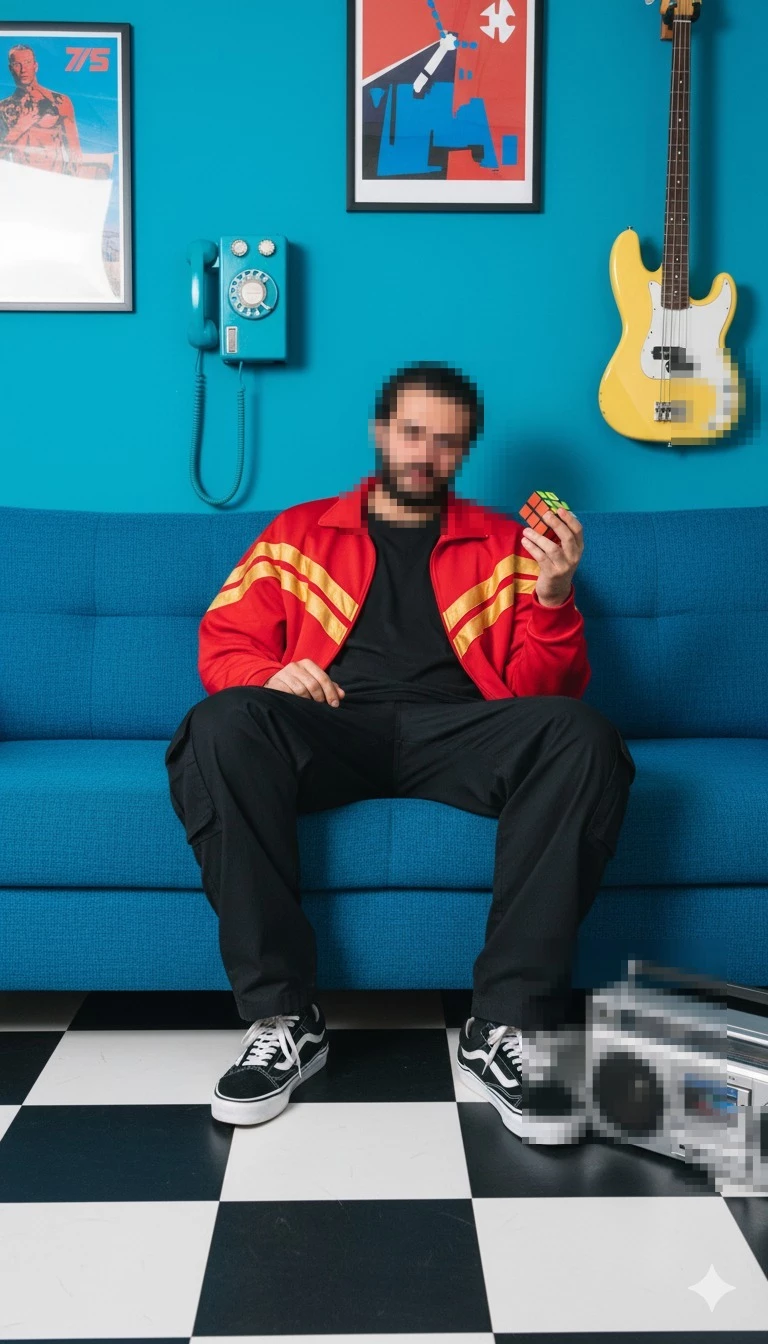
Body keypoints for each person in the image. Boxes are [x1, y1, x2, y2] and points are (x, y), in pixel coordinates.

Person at [165, 361, 636, 1140]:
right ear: (382, 432)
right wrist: (274, 674)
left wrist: (554, 598)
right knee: (219, 725)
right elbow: (223, 647)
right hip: (331, 722)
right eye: (414, 433)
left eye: (447, 443)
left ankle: (504, 1027)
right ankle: (286, 1021)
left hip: (458, 730)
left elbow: (544, 692)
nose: (425, 454)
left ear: (465, 454)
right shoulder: (297, 532)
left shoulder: (506, 546)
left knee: (582, 735)